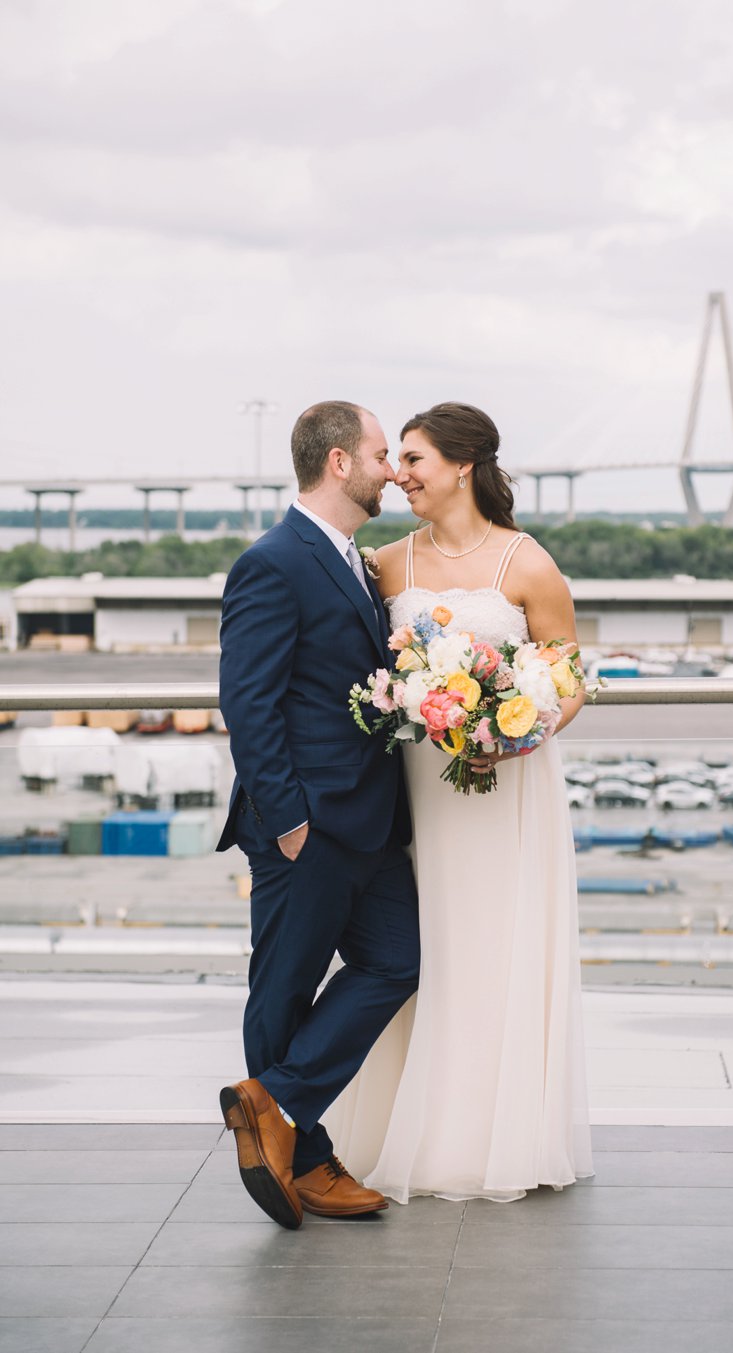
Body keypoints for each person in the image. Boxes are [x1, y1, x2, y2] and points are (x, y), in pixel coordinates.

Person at [325, 401, 593, 1202]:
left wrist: (511, 733)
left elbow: (570, 674)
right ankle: (410, 1126)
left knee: (497, 945)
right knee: (429, 949)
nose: (397, 474)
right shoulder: (388, 564)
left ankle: (494, 1134)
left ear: (462, 466)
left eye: (413, 460)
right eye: (396, 460)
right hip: (419, 792)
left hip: (509, 790)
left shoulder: (526, 563)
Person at [216, 400, 420, 1229]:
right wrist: (289, 818)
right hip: (306, 823)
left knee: (398, 962)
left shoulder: (354, 561)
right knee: (284, 989)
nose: (391, 470)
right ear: (339, 463)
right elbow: (248, 700)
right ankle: (303, 1157)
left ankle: (273, 1105)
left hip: (369, 820)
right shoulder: (273, 561)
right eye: (380, 454)